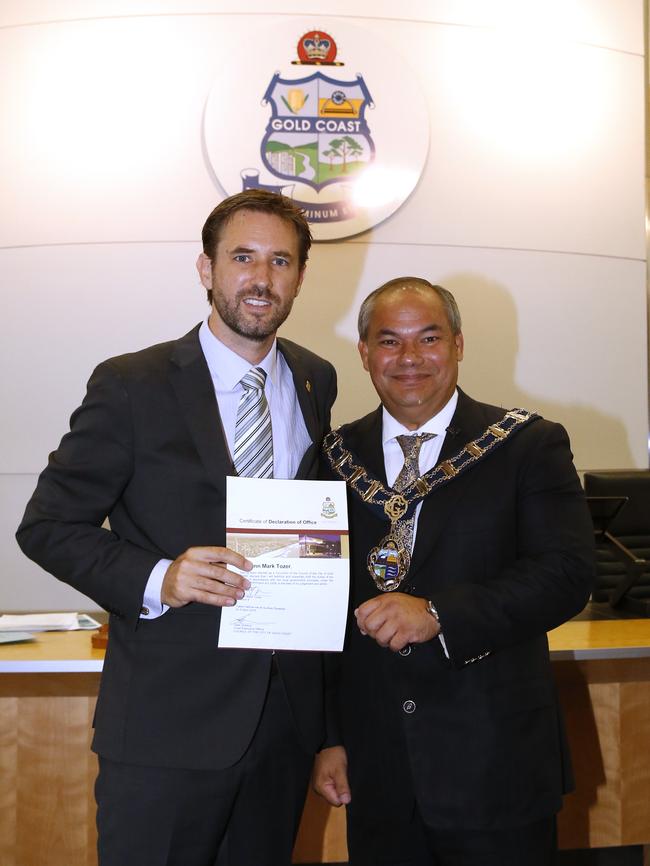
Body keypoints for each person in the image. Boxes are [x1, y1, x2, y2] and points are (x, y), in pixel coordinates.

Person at [16, 189, 337, 866]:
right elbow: (48, 525)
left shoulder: (316, 380)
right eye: (242, 257)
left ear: (301, 277)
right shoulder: (133, 384)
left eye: (281, 261)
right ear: (206, 269)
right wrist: (162, 576)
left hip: (281, 725)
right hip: (167, 728)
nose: (261, 278)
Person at [314, 277, 594, 866]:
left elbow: (566, 574)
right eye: (389, 341)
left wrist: (441, 615)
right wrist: (328, 736)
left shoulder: (527, 444)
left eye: (429, 338)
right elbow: (320, 611)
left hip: (497, 763)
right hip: (377, 766)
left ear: (459, 345)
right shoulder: (330, 457)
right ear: (364, 354)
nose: (410, 359)